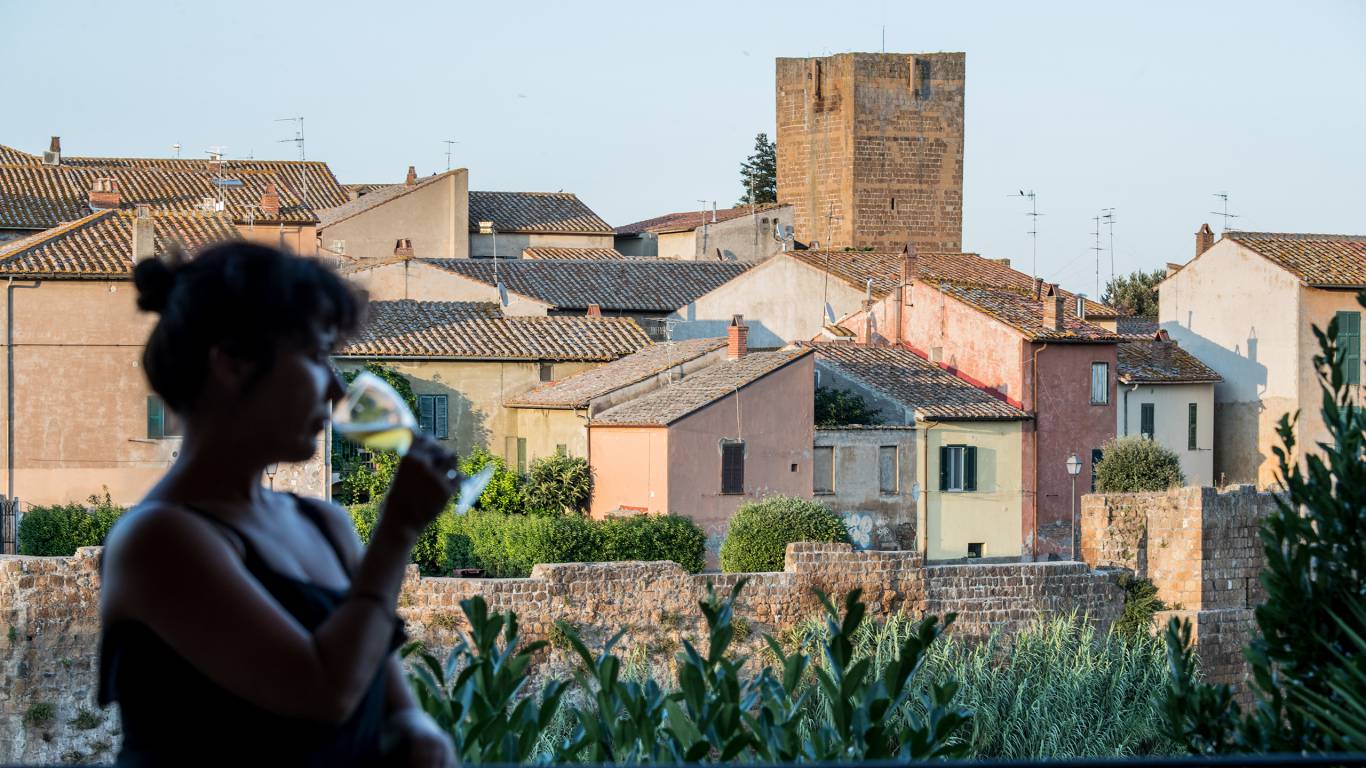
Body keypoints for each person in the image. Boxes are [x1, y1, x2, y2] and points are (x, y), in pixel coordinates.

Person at [97, 241, 459, 767]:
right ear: (232, 365)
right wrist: (398, 528)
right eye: (315, 356)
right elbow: (323, 692)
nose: (336, 386)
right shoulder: (156, 543)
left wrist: (417, 730)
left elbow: (384, 696)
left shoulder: (325, 523)